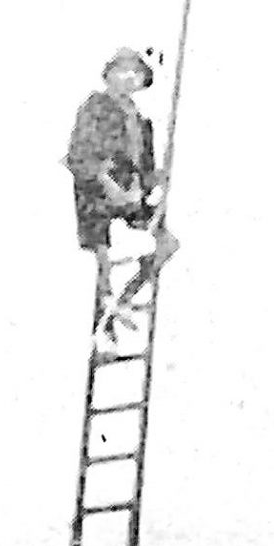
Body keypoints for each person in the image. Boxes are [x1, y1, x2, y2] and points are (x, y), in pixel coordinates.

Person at [65, 46, 179, 346]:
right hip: (98, 193)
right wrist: (106, 181)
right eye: (123, 71)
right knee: (101, 253)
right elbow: (79, 155)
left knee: (166, 243)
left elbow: (145, 170)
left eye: (137, 74)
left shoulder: (142, 122)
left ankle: (123, 301)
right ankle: (106, 305)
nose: (130, 79)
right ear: (109, 74)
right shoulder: (96, 107)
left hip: (130, 195)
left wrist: (157, 179)